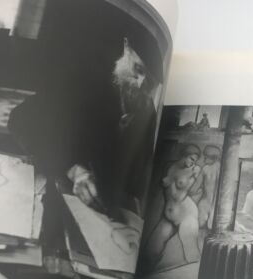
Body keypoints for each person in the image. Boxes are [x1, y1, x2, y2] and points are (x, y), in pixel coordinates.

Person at [8, 37, 158, 219]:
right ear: (127, 49)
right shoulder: (86, 81)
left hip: (105, 214)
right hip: (59, 195)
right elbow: (21, 119)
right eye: (138, 70)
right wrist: (73, 169)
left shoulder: (149, 114)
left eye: (149, 82)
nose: (140, 83)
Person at [142, 144, 202, 270]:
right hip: (168, 216)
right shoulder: (169, 166)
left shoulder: (194, 171)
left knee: (191, 254)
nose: (192, 162)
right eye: (191, 158)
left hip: (186, 214)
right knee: (151, 251)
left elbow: (191, 191)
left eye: (195, 161)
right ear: (184, 155)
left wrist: (195, 174)